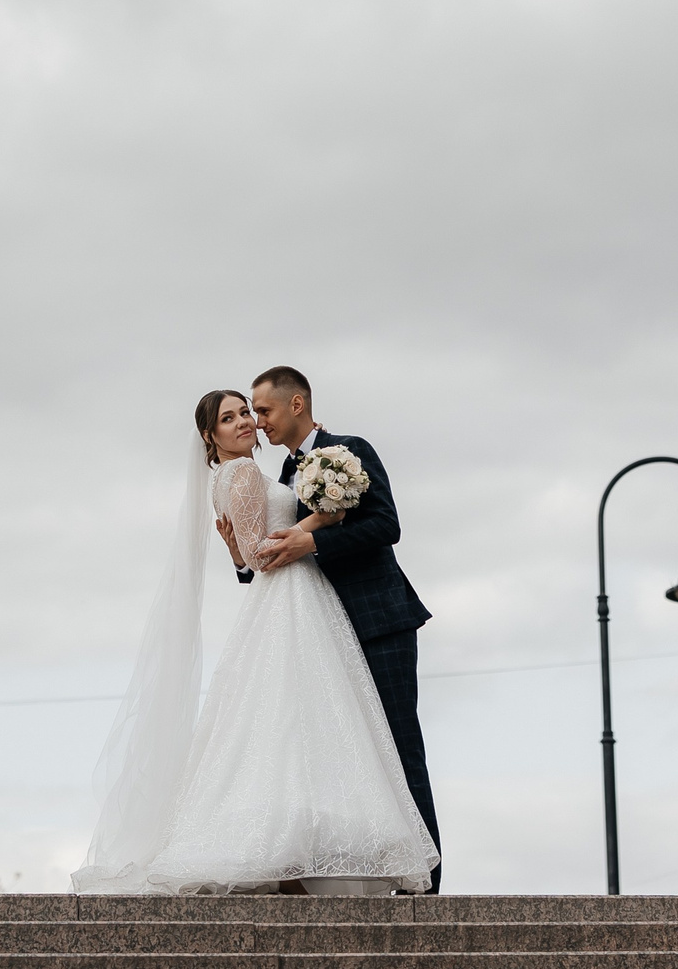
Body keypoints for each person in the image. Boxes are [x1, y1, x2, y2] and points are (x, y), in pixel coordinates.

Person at [70, 383, 439, 895]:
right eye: (238, 415)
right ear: (210, 434)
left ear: (296, 404)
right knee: (317, 745)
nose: (252, 421)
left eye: (255, 410)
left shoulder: (347, 452)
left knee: (396, 751)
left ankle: (426, 889)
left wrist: (306, 535)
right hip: (310, 619)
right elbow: (265, 555)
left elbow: (384, 524)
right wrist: (261, 549)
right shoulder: (265, 474)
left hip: (376, 619)